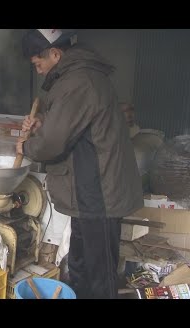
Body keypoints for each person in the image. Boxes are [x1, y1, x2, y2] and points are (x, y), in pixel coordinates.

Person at [18, 29, 144, 299]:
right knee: (81, 263)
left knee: (100, 271)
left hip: (98, 191)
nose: (39, 71)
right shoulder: (77, 77)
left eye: (38, 64)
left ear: (55, 53)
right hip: (88, 190)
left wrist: (26, 146)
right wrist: (43, 123)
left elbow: (52, 142)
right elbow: (72, 125)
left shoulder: (77, 81)